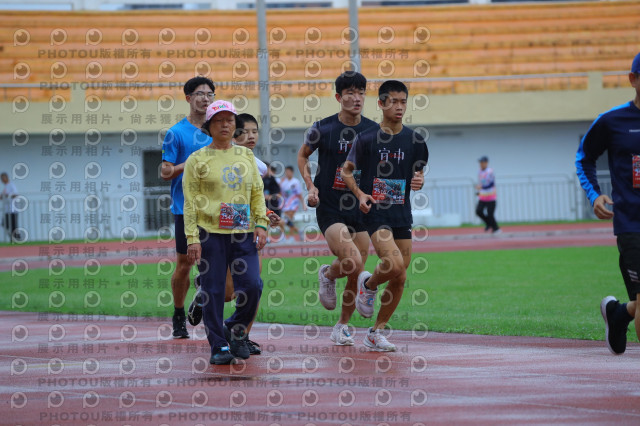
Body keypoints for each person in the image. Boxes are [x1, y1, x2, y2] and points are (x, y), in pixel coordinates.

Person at [342, 80, 428, 352]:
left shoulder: (416, 140)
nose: (399, 107)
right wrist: (360, 194)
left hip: (401, 213)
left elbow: (417, 174)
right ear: (380, 104)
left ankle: (375, 332)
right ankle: (368, 285)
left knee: (400, 276)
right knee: (393, 264)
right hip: (375, 212)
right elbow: (346, 171)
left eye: (403, 102)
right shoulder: (366, 138)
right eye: (393, 101)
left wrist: (419, 180)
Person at [183, 100, 268, 365]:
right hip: (210, 234)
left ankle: (234, 327)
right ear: (208, 126)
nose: (225, 125)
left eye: (229, 120)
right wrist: (192, 238)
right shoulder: (197, 159)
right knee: (214, 290)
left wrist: (261, 223)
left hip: (242, 231)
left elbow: (257, 192)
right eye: (219, 121)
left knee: (252, 285)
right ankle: (218, 345)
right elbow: (190, 202)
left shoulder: (246, 156)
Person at [297, 71, 377, 345]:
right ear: (338, 97)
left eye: (361, 93)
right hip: (330, 205)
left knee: (355, 270)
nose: (357, 98)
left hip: (360, 207)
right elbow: (303, 156)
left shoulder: (373, 130)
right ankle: (330, 274)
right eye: (350, 93)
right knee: (354, 262)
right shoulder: (323, 128)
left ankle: (341, 325)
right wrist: (310, 185)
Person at [576, 52, 640, 355]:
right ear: (633, 79)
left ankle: (618, 313)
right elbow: (584, 158)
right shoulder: (613, 121)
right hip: (632, 224)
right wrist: (595, 194)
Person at [160, 76, 215, 339]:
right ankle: (179, 314)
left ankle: (204, 296)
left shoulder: (218, 129)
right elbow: (165, 171)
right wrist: (191, 162)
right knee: (185, 263)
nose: (205, 98)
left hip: (217, 208)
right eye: (200, 94)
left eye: (210, 94)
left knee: (220, 262)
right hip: (186, 208)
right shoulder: (177, 133)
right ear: (188, 98)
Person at [278, 165, 306, 241]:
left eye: (288, 172)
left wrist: (303, 204)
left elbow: (299, 194)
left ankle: (291, 237)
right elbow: (280, 193)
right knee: (286, 221)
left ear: (292, 172)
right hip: (285, 204)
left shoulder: (296, 182)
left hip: (293, 204)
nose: (287, 173)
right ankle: (299, 231)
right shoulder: (283, 182)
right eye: (286, 172)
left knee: (289, 219)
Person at [475, 156, 500, 233]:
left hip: (491, 196)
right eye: (480, 162)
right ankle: (489, 223)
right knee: (478, 211)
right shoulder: (479, 172)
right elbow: (482, 182)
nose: (481, 164)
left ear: (486, 163)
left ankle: (496, 229)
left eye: (482, 162)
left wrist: (482, 187)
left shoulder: (490, 171)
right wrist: (479, 190)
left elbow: (491, 183)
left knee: (490, 214)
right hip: (483, 196)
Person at [1, 172, 19, 242]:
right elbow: (2, 196)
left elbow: (15, 195)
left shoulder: (11, 185)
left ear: (6, 177)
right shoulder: (5, 187)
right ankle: (15, 237)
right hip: (7, 210)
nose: (2, 180)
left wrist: (7, 195)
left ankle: (15, 238)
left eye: (3, 178)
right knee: (5, 224)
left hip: (13, 209)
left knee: (13, 225)